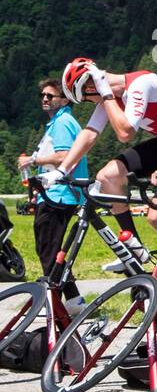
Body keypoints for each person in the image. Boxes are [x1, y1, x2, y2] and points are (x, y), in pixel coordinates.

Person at [50, 59, 157, 263]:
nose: (92, 103)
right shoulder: (110, 96)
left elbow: (125, 133)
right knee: (108, 177)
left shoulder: (139, 84)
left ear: (91, 86)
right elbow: (90, 132)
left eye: (87, 98)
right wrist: (62, 170)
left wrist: (105, 93)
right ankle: (135, 247)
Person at [19, 78, 88, 314]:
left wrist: (33, 160)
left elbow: (65, 156)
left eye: (51, 96)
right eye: (43, 96)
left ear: (66, 99)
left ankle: (56, 301)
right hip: (54, 193)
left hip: (59, 194)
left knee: (48, 248)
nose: (45, 99)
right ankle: (73, 301)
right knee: (52, 249)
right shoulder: (59, 123)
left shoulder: (62, 123)